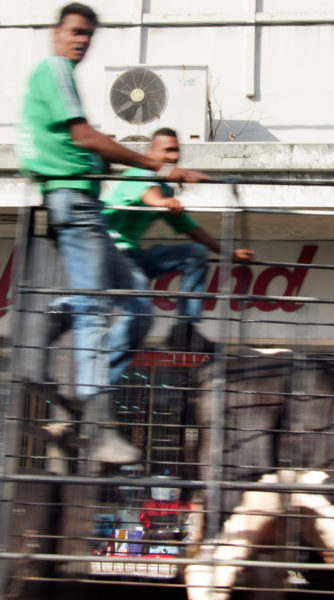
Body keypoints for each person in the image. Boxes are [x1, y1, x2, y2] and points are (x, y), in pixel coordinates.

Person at [16, 3, 206, 464]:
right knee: (98, 308)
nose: (81, 40)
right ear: (56, 32)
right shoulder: (56, 71)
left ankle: (62, 361)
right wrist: (158, 167)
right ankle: (96, 423)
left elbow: (78, 144)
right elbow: (84, 137)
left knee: (138, 302)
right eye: (76, 32)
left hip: (85, 209)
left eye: (88, 35)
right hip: (75, 205)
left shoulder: (57, 78)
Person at [103, 128, 254, 354]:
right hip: (112, 255)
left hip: (133, 256)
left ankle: (185, 328)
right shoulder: (139, 173)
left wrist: (229, 254)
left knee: (195, 252)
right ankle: (102, 354)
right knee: (140, 314)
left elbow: (192, 229)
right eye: (168, 150)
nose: (173, 157)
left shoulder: (164, 188)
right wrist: (164, 203)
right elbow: (150, 196)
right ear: (151, 152)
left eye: (177, 151)